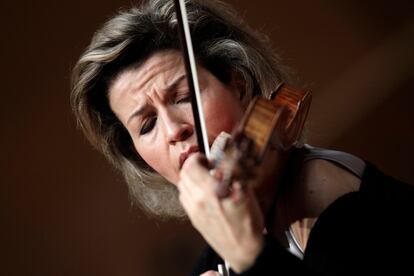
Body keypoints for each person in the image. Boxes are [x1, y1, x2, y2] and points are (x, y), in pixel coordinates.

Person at [71, 0, 414, 275]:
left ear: (238, 86)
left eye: (184, 96)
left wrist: (250, 255)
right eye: (147, 126)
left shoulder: (320, 194)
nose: (175, 130)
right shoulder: (220, 247)